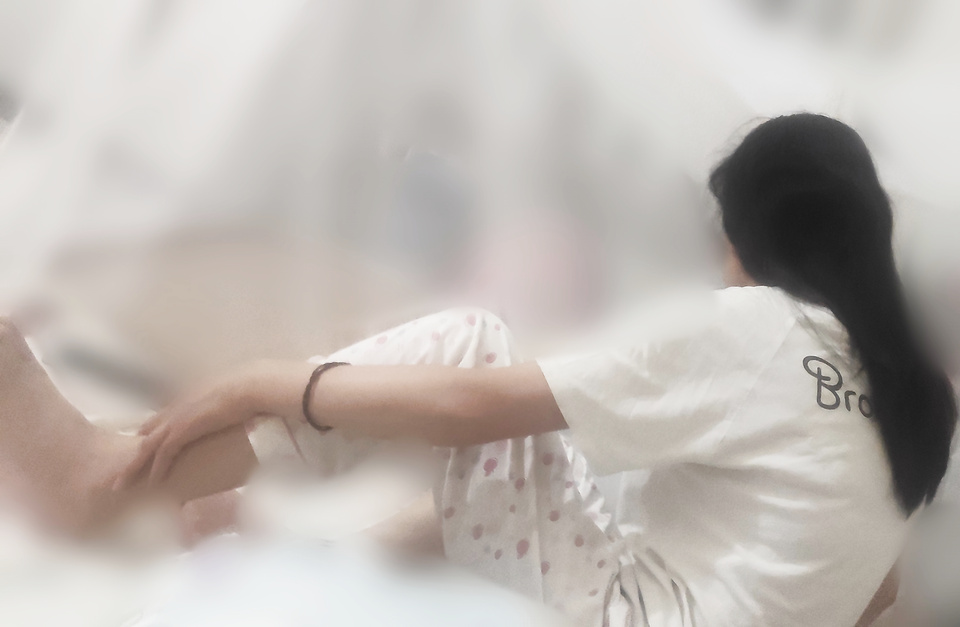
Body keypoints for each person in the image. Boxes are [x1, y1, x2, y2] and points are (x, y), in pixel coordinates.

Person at [0, 113, 954, 626]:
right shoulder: (917, 395)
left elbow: (469, 404)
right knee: (551, 475)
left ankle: (102, 483)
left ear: (751, 237)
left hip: (631, 613)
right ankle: (239, 519)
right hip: (662, 596)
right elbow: (876, 596)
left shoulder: (760, 329)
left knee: (474, 344)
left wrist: (258, 381)